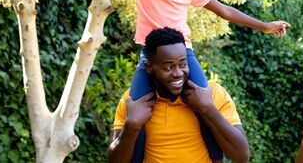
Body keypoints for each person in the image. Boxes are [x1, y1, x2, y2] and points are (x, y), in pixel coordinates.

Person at [106, 0, 290, 160]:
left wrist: (264, 26)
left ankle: (215, 157)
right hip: (151, 56)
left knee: (204, 100)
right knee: (136, 111)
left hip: (185, 53)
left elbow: (225, 10)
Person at [107, 27, 250, 163]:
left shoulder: (212, 94)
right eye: (168, 67)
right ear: (149, 68)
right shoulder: (134, 102)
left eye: (182, 64)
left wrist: (207, 109)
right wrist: (132, 126)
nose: (178, 73)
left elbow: (241, 156)